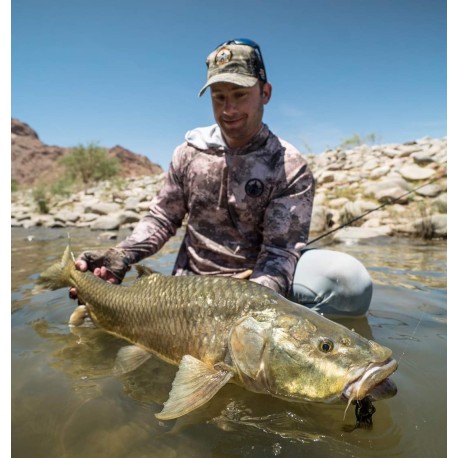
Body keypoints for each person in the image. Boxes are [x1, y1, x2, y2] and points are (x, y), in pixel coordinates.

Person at [71, 38, 372, 316]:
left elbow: (279, 253)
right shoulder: (188, 154)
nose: (229, 109)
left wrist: (246, 305)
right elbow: (163, 218)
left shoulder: (290, 167)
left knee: (349, 280)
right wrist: (121, 254)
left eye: (240, 95)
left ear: (265, 93)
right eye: (219, 97)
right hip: (188, 286)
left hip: (255, 288)